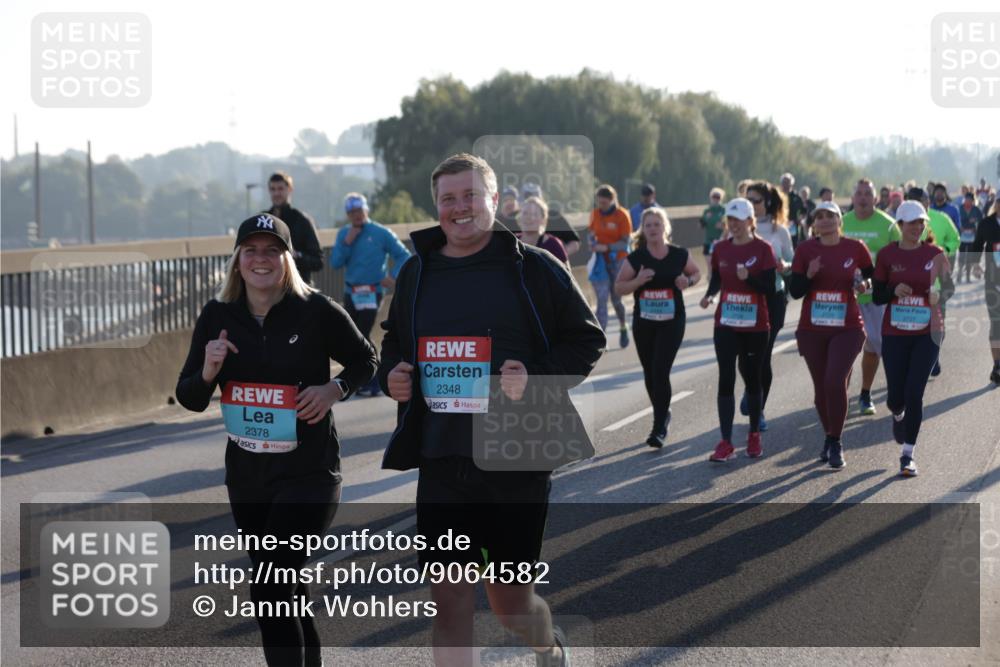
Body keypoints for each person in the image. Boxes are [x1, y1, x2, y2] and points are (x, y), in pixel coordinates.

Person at [378, 153, 605, 667]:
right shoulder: (417, 271)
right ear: (436, 206)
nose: (460, 208)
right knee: (450, 598)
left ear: (494, 201)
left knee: (510, 605)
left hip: (516, 456)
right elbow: (394, 343)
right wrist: (391, 374)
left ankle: (548, 648)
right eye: (448, 199)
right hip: (443, 457)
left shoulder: (535, 267)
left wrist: (537, 377)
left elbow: (587, 340)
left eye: (470, 196)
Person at [176, 213, 377, 667]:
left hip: (310, 472)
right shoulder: (217, 316)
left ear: (287, 260)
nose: (261, 259)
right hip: (249, 479)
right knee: (284, 585)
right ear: (237, 260)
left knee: (269, 584)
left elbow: (366, 360)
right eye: (251, 250)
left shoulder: (316, 311)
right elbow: (189, 396)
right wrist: (208, 369)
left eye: (272, 250)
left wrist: (333, 390)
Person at [788, 201, 873, 469]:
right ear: (813, 223)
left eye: (830, 216)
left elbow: (869, 276)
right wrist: (810, 274)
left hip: (847, 326)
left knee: (834, 381)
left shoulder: (855, 248)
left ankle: (836, 442)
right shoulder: (805, 250)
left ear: (840, 220)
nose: (825, 220)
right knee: (821, 390)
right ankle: (828, 435)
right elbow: (796, 291)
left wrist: (863, 283)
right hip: (813, 329)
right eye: (819, 217)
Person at [872, 201, 952, 477]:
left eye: (921, 222)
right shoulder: (886, 255)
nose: (917, 227)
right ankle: (898, 414)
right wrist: (895, 289)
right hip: (894, 332)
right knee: (896, 397)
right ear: (900, 226)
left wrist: (939, 296)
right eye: (911, 223)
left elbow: (950, 288)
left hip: (928, 332)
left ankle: (908, 454)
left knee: (914, 392)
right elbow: (877, 295)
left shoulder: (936, 253)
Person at [614, 207, 701, 447]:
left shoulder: (679, 254)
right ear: (643, 229)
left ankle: (659, 425)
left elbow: (696, 273)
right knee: (650, 373)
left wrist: (688, 281)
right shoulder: (637, 258)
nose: (653, 229)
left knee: (660, 370)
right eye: (648, 225)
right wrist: (638, 281)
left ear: (665, 227)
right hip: (644, 322)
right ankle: (664, 412)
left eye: (657, 224)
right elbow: (619, 287)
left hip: (672, 321)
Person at [700, 197, 778, 461]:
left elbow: (771, 288)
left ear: (750, 221)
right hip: (726, 322)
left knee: (752, 378)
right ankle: (725, 442)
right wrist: (710, 296)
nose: (733, 225)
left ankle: (754, 435)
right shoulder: (721, 248)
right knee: (725, 377)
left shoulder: (764, 249)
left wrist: (750, 279)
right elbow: (716, 281)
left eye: (738, 220)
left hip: (755, 325)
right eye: (730, 220)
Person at [329, 193, 412, 395]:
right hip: (351, 291)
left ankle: (373, 379)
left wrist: (392, 276)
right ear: (348, 215)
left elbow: (403, 255)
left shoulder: (381, 232)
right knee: (354, 336)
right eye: (352, 212)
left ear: (366, 210)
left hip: (372, 291)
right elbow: (335, 263)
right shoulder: (344, 234)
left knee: (363, 334)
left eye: (359, 211)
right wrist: (347, 243)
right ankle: (363, 378)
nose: (356, 215)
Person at [841, 179, 901, 415]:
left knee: (875, 346)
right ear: (853, 198)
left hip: (876, 298)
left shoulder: (888, 225)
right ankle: (839, 395)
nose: (863, 198)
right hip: (845, 298)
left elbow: (899, 259)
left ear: (876, 199)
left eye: (868, 194)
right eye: (859, 194)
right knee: (843, 349)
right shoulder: (841, 223)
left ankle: (865, 394)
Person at [738, 181, 793, 431]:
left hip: (772, 296)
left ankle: (758, 409)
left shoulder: (778, 231)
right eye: (747, 199)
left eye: (756, 200)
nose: (751, 204)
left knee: (762, 356)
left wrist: (785, 266)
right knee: (743, 358)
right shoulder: (737, 229)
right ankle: (752, 390)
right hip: (744, 300)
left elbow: (793, 262)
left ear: (767, 203)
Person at [906, 187, 960, 376]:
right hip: (909, 285)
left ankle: (933, 356)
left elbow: (955, 239)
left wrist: (943, 249)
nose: (921, 206)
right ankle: (920, 359)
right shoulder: (903, 223)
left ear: (928, 202)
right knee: (912, 327)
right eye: (915, 202)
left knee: (938, 327)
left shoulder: (941, 219)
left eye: (923, 202)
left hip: (936, 284)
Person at [588, 184, 633, 348]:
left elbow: (626, 242)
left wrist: (607, 247)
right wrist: (592, 243)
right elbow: (591, 234)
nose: (601, 206)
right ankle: (602, 338)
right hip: (600, 261)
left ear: (612, 200)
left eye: (604, 203)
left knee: (616, 299)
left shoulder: (622, 215)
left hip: (618, 260)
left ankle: (622, 325)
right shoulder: (594, 215)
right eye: (599, 203)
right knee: (601, 298)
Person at [266, 172, 324, 284]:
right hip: (270, 290)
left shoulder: (302, 220)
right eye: (273, 189)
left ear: (290, 189)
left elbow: (318, 262)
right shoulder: (264, 219)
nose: (276, 193)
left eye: (280, 188)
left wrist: (297, 256)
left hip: (297, 289)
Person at [969, 200, 1000, 384]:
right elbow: (978, 244)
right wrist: (975, 264)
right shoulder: (986, 223)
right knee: (996, 324)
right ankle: (997, 365)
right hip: (993, 281)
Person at [521, 183, 582, 255]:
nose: (531, 201)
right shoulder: (516, 218)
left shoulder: (554, 217)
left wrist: (557, 257)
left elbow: (574, 242)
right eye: (527, 198)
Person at [517, 196, 568, 264]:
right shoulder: (511, 242)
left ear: (543, 219)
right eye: (525, 213)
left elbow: (566, 273)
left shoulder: (553, 245)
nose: (528, 217)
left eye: (534, 214)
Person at [699, 187, 727, 277]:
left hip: (720, 240)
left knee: (719, 265)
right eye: (714, 197)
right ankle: (710, 282)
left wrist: (723, 226)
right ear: (710, 198)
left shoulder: (723, 210)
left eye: (718, 197)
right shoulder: (707, 211)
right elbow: (701, 225)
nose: (715, 199)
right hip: (708, 240)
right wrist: (705, 220)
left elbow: (730, 225)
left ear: (721, 198)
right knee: (709, 265)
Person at [958, 192, 985, 283]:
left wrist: (976, 225)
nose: (968, 201)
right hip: (961, 236)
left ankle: (968, 277)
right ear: (964, 199)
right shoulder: (959, 209)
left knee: (969, 256)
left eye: (970, 200)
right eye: (966, 199)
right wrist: (960, 227)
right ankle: (959, 273)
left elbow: (981, 222)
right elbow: (955, 220)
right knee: (961, 255)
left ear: (973, 201)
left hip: (972, 237)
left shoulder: (976, 210)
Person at [780, 172, 807, 246]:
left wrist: (800, 219)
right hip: (779, 224)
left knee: (793, 244)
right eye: (784, 182)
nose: (786, 185)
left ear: (791, 184)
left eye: (787, 183)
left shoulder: (797, 197)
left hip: (793, 225)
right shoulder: (777, 196)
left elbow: (803, 211)